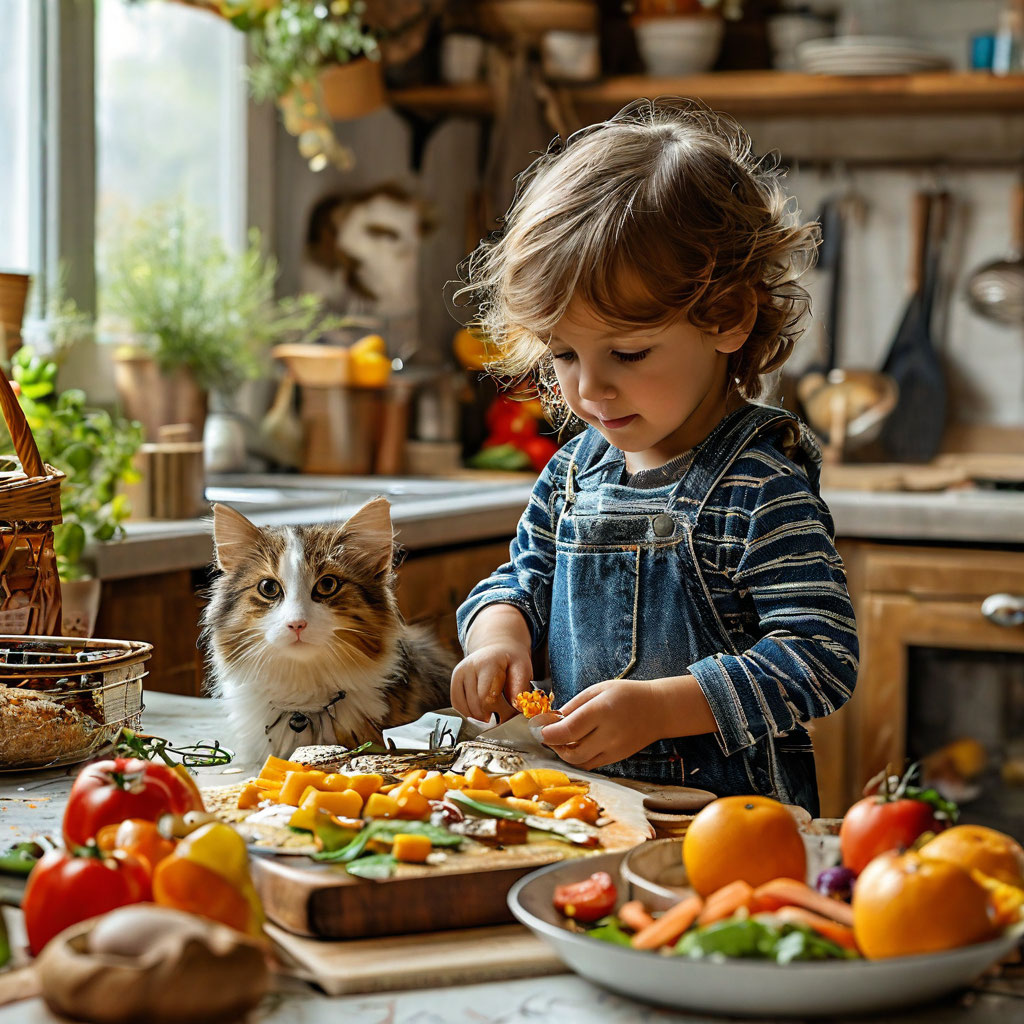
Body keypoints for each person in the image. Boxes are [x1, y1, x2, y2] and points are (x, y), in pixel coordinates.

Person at [448, 99, 858, 816]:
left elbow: (820, 658)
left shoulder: (761, 487)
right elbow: (517, 580)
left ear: (727, 317)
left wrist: (666, 707)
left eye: (628, 352)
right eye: (564, 354)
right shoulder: (572, 474)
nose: (588, 388)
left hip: (725, 831)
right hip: (584, 809)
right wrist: (496, 635)